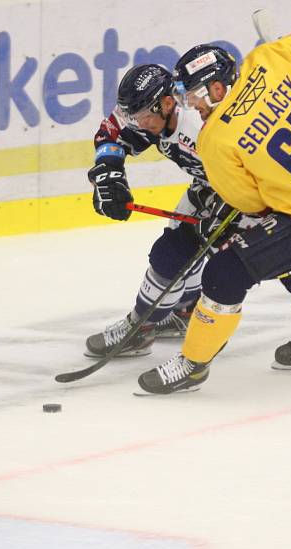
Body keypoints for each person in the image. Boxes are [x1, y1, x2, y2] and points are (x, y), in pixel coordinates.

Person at [137, 19, 291, 394]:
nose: (191, 104)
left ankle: (193, 365)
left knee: (224, 274)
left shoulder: (215, 140)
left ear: (217, 86)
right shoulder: (270, 58)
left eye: (194, 95)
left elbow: (249, 204)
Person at [86, 63, 248, 361]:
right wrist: (109, 173)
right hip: (209, 188)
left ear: (168, 103)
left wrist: (236, 208)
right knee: (173, 253)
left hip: (246, 195)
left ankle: (143, 327)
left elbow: (256, 166)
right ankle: (186, 311)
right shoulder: (155, 113)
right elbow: (112, 132)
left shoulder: (202, 125)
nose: (139, 124)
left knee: (175, 256)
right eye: (135, 116)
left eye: (144, 116)